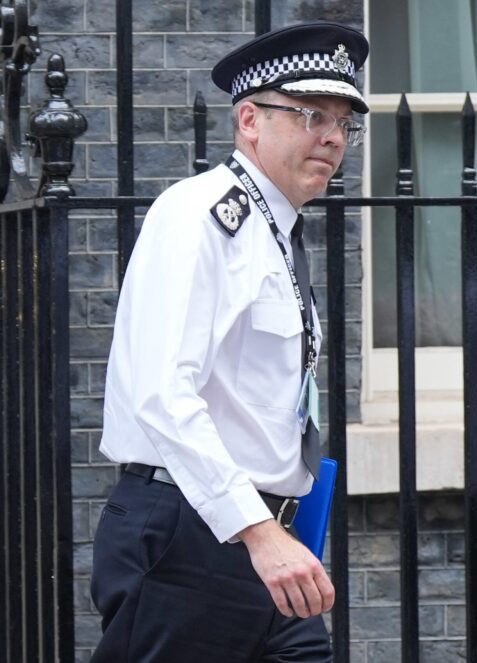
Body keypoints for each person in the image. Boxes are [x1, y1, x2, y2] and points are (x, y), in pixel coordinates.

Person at [90, 21, 369, 661]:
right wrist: (257, 533)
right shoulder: (203, 216)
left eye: (344, 123)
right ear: (249, 120)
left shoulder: (273, 229)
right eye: (310, 114)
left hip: (258, 532)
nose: (332, 136)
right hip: (193, 534)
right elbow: (162, 393)